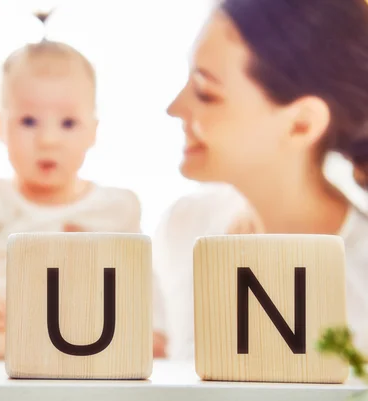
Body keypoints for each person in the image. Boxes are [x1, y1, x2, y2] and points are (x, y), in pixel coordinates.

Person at [157, 0, 368, 360]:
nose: (174, 107)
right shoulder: (182, 225)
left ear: (301, 123)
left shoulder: (360, 278)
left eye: (206, 92)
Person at [0, 13, 168, 360]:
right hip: (4, 330)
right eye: (28, 121)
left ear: (93, 131)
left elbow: (145, 288)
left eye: (68, 123)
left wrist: (154, 330)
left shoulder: (117, 208)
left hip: (90, 334)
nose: (48, 139)